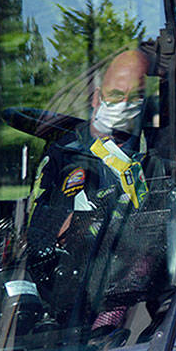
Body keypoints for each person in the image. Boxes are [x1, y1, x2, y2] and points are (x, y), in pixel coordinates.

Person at [26, 48, 157, 335]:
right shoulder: (66, 155)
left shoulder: (152, 156)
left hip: (137, 308)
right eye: (115, 95)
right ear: (97, 97)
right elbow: (39, 235)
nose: (123, 106)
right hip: (71, 308)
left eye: (134, 98)